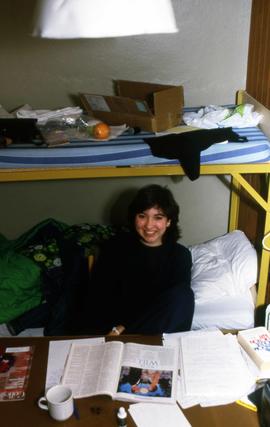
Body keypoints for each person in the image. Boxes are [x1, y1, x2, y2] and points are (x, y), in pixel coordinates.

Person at [83, 184, 194, 335]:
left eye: (158, 217)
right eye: (142, 216)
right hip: (114, 329)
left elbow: (174, 305)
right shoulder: (114, 248)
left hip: (153, 330)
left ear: (169, 221)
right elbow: (99, 298)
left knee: (184, 296)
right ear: (134, 218)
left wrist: (125, 326)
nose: (149, 225)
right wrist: (117, 327)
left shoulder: (180, 255)